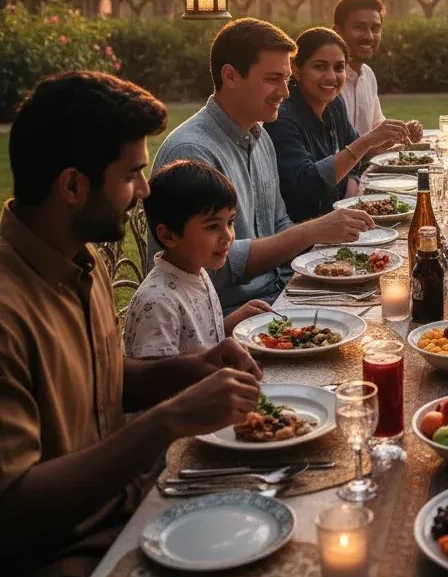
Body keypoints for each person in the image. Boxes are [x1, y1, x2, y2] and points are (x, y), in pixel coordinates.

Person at [0, 72, 262, 577]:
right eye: (131, 175)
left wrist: (195, 367)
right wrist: (169, 419)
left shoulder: (80, 259)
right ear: (72, 186)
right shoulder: (9, 308)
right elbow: (13, 511)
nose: (144, 190)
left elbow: (102, 380)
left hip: (131, 503)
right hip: (65, 553)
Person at [151, 18, 374, 314]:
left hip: (279, 291)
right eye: (273, 79)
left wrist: (328, 257)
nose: (285, 92)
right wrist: (313, 231)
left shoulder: (260, 136)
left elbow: (278, 222)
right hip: (228, 317)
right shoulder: (193, 152)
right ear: (231, 76)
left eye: (286, 78)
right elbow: (215, 266)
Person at [124, 160, 273, 358]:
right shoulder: (159, 304)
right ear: (168, 236)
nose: (228, 236)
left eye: (230, 222)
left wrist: (232, 322)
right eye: (212, 226)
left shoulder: (196, 271)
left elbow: (198, 342)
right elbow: (158, 373)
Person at [266, 27, 410, 222]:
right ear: (296, 69)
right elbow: (306, 186)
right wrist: (366, 142)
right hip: (303, 230)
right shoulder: (283, 118)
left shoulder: (334, 104)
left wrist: (378, 145)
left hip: (340, 217)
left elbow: (354, 158)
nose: (331, 77)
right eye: (320, 66)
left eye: (339, 68)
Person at [334, 0, 423, 142]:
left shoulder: (367, 74)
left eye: (375, 29)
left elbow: (376, 129)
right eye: (359, 28)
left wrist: (401, 132)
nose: (369, 36)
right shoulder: (328, 81)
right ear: (338, 32)